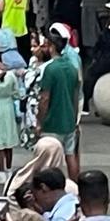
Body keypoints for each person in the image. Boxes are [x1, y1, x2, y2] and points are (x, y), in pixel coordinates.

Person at [35, 29, 82, 178]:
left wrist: (39, 122)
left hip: (53, 122)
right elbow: (75, 96)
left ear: (52, 47)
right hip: (69, 120)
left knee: (50, 159)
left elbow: (45, 98)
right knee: (70, 155)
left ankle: (52, 187)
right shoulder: (72, 68)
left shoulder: (50, 69)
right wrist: (74, 118)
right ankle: (74, 186)